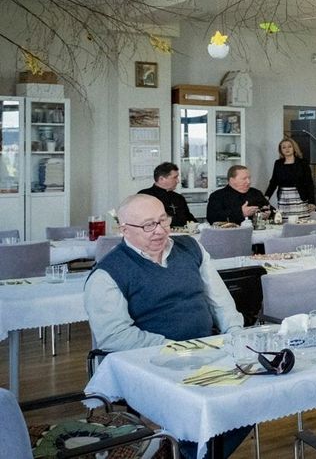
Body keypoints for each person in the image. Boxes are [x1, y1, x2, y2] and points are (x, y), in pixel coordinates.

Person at [84, 194, 247, 458]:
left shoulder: (191, 248)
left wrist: (235, 334)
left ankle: (187, 452)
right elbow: (115, 337)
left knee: (249, 398)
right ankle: (188, 450)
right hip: (151, 364)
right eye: (148, 225)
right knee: (212, 404)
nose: (160, 230)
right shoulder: (107, 273)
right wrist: (176, 349)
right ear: (123, 229)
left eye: (163, 220)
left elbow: (220, 301)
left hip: (208, 353)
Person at [263, 137, 315, 222]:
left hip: (299, 198)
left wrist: (311, 202)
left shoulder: (302, 163)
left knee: (301, 222)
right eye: (284, 147)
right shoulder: (278, 163)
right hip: (284, 198)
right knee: (285, 222)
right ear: (281, 150)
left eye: (289, 146)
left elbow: (309, 183)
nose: (287, 149)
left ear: (294, 148)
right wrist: (266, 197)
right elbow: (273, 182)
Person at [206, 165, 270, 224]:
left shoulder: (256, 193)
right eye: (244, 179)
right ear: (232, 180)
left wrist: (267, 213)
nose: (248, 181)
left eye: (249, 178)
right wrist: (241, 213)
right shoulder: (217, 196)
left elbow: (271, 209)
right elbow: (212, 218)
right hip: (230, 233)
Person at [137, 162, 196, 227]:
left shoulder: (179, 197)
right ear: (161, 179)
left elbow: (190, 219)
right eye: (175, 177)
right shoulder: (144, 196)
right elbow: (145, 221)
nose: (178, 181)